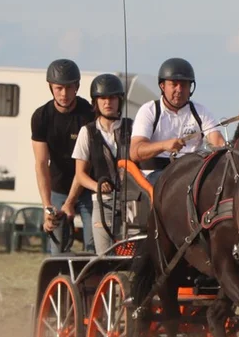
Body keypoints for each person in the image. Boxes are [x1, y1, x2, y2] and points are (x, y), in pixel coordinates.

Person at [31, 59, 95, 253]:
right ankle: (59, 281)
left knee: (95, 247)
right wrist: (47, 207)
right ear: (51, 87)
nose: (64, 94)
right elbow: (41, 164)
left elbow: (86, 164)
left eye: (69, 88)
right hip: (57, 189)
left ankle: (92, 283)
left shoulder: (89, 115)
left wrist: (71, 202)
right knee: (57, 250)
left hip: (87, 188)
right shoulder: (41, 117)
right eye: (59, 88)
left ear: (77, 86)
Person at [130, 57, 225, 185]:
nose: (179, 90)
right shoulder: (149, 110)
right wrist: (164, 145)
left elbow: (217, 141)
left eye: (184, 85)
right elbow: (135, 152)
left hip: (191, 171)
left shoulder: (200, 111)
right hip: (155, 174)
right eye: (174, 84)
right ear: (162, 86)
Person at [69, 73, 135, 255]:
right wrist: (97, 185)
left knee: (132, 255)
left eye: (113, 97)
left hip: (131, 203)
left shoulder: (132, 127)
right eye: (103, 98)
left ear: (119, 100)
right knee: (105, 256)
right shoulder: (87, 132)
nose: (108, 102)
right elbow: (80, 175)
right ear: (95, 102)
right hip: (102, 202)